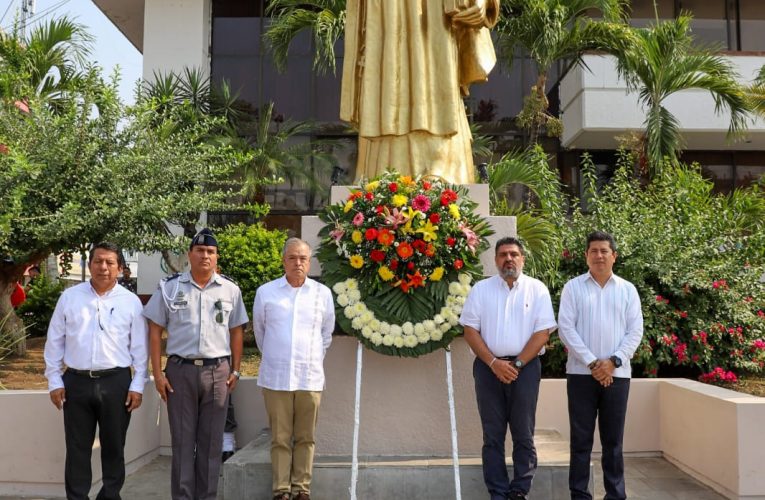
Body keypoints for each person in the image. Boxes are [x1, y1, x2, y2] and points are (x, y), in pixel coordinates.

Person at [340, 0, 500, 184]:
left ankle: (439, 172)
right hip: (385, 19)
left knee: (436, 77)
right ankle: (385, 180)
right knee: (388, 75)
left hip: (437, 21)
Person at [143, 228, 249, 500]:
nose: (205, 255)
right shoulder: (170, 287)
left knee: (211, 443)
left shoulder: (230, 289)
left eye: (210, 252)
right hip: (180, 373)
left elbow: (237, 330)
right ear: (189, 254)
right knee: (182, 442)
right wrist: (157, 374)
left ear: (216, 257)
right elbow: (155, 330)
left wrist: (236, 369)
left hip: (218, 372)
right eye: (200, 251)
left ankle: (206, 496)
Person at [43, 241, 148, 500]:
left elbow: (140, 348)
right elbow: (54, 340)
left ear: (120, 268)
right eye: (98, 261)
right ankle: (77, 497)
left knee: (114, 447)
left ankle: (110, 496)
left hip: (117, 383)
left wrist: (137, 386)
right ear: (89, 265)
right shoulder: (70, 298)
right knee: (77, 448)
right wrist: (54, 381)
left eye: (110, 262)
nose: (103, 267)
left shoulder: (131, 302)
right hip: (76, 383)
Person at [459, 236, 557, 500]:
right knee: (492, 434)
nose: (508, 259)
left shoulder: (537, 290)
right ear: (496, 260)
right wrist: (493, 363)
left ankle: (519, 490)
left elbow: (543, 333)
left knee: (523, 433)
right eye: (503, 255)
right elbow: (469, 330)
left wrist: (515, 365)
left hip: (524, 369)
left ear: (522, 259)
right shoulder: (481, 289)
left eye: (514, 254)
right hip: (488, 368)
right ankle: (498, 492)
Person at [558, 231, 644, 500]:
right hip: (581, 375)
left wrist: (613, 362)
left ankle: (615, 495)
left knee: (613, 442)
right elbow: (566, 329)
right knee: (581, 441)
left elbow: (635, 331)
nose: (598, 255)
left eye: (604, 251)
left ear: (614, 256)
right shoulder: (573, 287)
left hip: (618, 375)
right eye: (593, 251)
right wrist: (595, 363)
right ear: (586, 256)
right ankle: (579, 494)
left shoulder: (628, 290)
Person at [253, 238, 334, 500]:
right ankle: (281, 490)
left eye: (303, 258)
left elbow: (326, 334)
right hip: (276, 376)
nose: (298, 263)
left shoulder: (322, 294)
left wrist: (310, 358)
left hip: (309, 377)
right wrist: (279, 356)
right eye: (292, 258)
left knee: (306, 437)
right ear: (283, 261)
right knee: (280, 437)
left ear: (309, 262)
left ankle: (301, 488)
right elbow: (260, 333)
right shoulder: (266, 292)